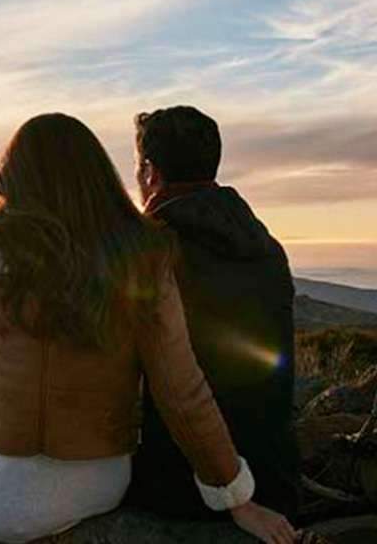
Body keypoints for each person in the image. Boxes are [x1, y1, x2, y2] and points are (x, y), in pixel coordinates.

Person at [0, 113, 296, 544]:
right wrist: (237, 499)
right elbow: (182, 390)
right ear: (100, 176)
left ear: (12, 174)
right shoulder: (142, 253)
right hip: (100, 483)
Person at [126, 106, 300, 522]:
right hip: (274, 476)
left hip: (180, 486)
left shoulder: (149, 252)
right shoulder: (264, 245)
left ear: (149, 173)